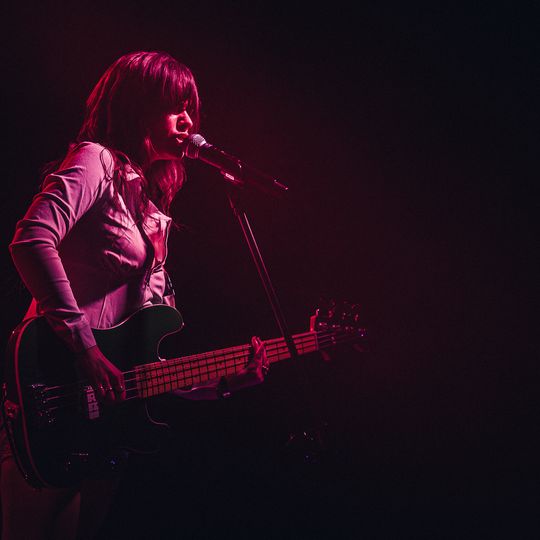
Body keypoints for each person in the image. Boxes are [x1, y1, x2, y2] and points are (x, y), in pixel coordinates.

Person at [1, 50, 268, 540]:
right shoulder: (96, 161)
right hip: (51, 394)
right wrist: (85, 348)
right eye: (173, 106)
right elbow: (31, 239)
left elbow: (143, 364)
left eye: (191, 108)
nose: (188, 120)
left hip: (103, 425)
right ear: (136, 107)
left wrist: (223, 384)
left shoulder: (150, 208)